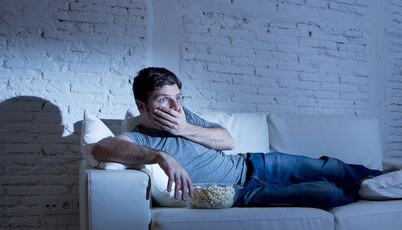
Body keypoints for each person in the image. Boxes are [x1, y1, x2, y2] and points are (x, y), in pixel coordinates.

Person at [92, 67, 381, 209]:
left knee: (330, 168)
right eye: (165, 101)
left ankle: (383, 180)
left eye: (178, 97)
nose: (176, 107)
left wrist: (184, 128)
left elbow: (228, 141)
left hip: (253, 164)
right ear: (142, 106)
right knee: (327, 193)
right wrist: (160, 156)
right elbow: (102, 149)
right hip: (242, 193)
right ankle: (369, 191)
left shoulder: (183, 116)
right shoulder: (137, 137)